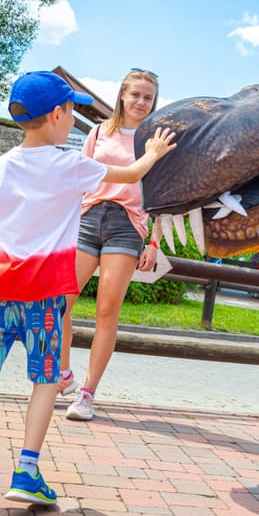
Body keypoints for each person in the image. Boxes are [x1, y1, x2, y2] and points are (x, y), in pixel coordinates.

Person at [0, 70, 176, 510]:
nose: (74, 119)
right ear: (57, 114)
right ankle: (26, 471)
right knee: (46, 382)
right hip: (44, 297)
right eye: (71, 111)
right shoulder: (71, 165)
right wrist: (155, 152)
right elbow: (130, 173)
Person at [58, 68, 167, 421]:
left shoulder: (155, 141)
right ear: (122, 95)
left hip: (127, 225)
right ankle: (64, 373)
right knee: (60, 303)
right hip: (88, 219)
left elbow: (163, 195)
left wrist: (154, 241)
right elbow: (78, 179)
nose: (141, 102)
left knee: (107, 311)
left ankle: (87, 394)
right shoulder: (98, 132)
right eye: (135, 94)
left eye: (148, 97)